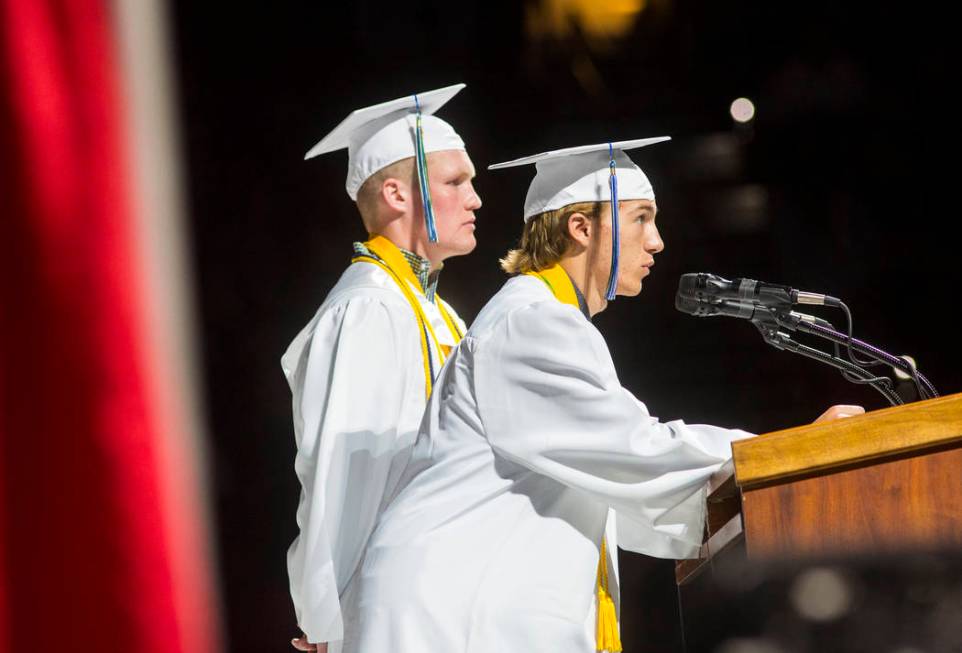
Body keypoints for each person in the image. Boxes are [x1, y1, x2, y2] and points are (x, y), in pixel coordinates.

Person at [342, 138, 862, 652]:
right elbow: (636, 451)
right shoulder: (532, 322)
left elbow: (618, 487)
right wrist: (788, 457)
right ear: (580, 227)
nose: (657, 241)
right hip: (446, 614)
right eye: (640, 218)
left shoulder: (544, 317)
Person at [282, 84, 483, 652]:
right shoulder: (367, 310)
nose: (475, 200)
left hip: (444, 602)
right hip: (389, 617)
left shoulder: (439, 312)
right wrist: (327, 622)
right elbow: (340, 475)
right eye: (455, 182)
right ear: (396, 193)